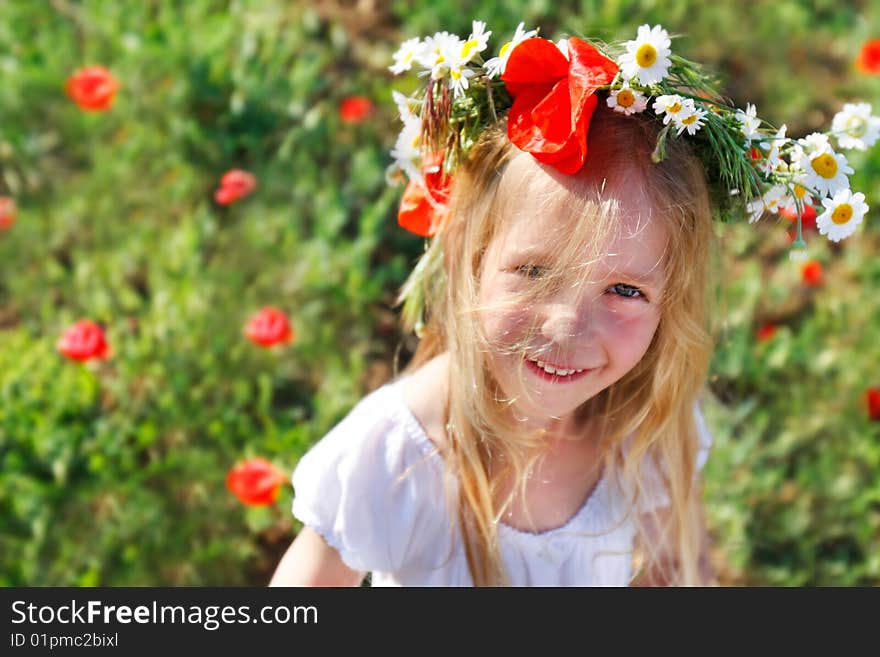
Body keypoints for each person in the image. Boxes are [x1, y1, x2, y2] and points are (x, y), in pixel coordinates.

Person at [270, 22, 873, 586]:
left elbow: (675, 568)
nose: (567, 325)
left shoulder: (647, 426)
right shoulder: (395, 459)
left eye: (625, 291)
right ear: (466, 252)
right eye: (533, 271)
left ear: (671, 300)